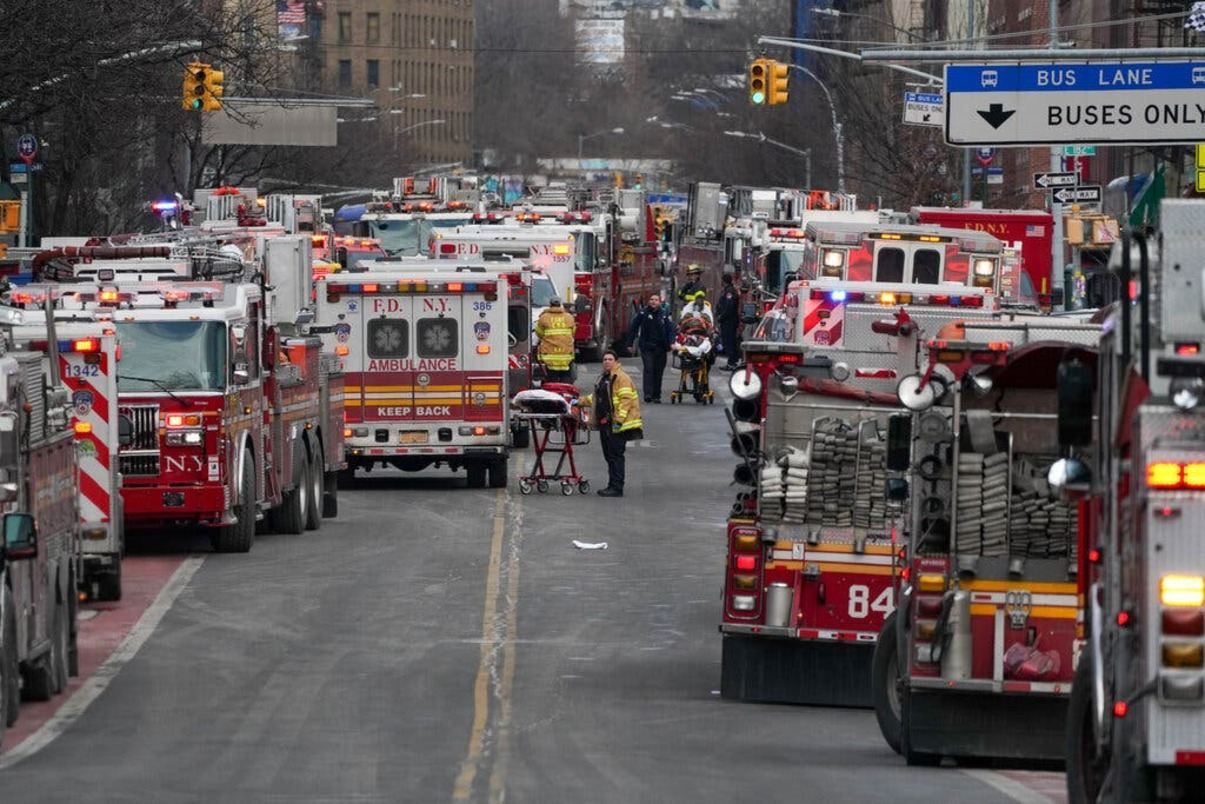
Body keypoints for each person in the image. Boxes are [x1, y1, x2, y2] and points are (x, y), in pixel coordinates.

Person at [585, 349, 643, 497]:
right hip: (606, 423)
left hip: (617, 425)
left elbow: (626, 401)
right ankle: (612, 485)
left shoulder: (621, 378)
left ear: (616, 362)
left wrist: (618, 421)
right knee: (609, 456)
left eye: (610, 359)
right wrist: (577, 401)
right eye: (605, 359)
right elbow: (596, 398)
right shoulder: (604, 378)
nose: (607, 362)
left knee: (616, 456)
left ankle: (616, 487)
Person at [627, 292, 675, 403]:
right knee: (649, 369)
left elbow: (670, 329)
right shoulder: (643, 313)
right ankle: (648, 394)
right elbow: (634, 327)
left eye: (656, 300)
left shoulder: (664, 314)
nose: (653, 301)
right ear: (649, 301)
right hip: (647, 346)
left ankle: (656, 395)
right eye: (651, 299)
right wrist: (630, 343)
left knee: (658, 371)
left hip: (661, 347)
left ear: (659, 302)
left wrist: (672, 342)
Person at [534, 296, 576, 382]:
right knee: (565, 379)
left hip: (550, 356)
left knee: (551, 380)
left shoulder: (544, 318)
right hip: (566, 355)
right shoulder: (569, 317)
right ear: (560, 305)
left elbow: (539, 333)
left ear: (550, 305)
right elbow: (573, 332)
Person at [715, 273, 741, 370]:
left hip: (729, 321)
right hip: (729, 320)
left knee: (729, 341)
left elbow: (729, 307)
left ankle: (731, 363)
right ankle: (732, 361)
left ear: (724, 281)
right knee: (729, 341)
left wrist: (721, 316)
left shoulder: (729, 292)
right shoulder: (728, 290)